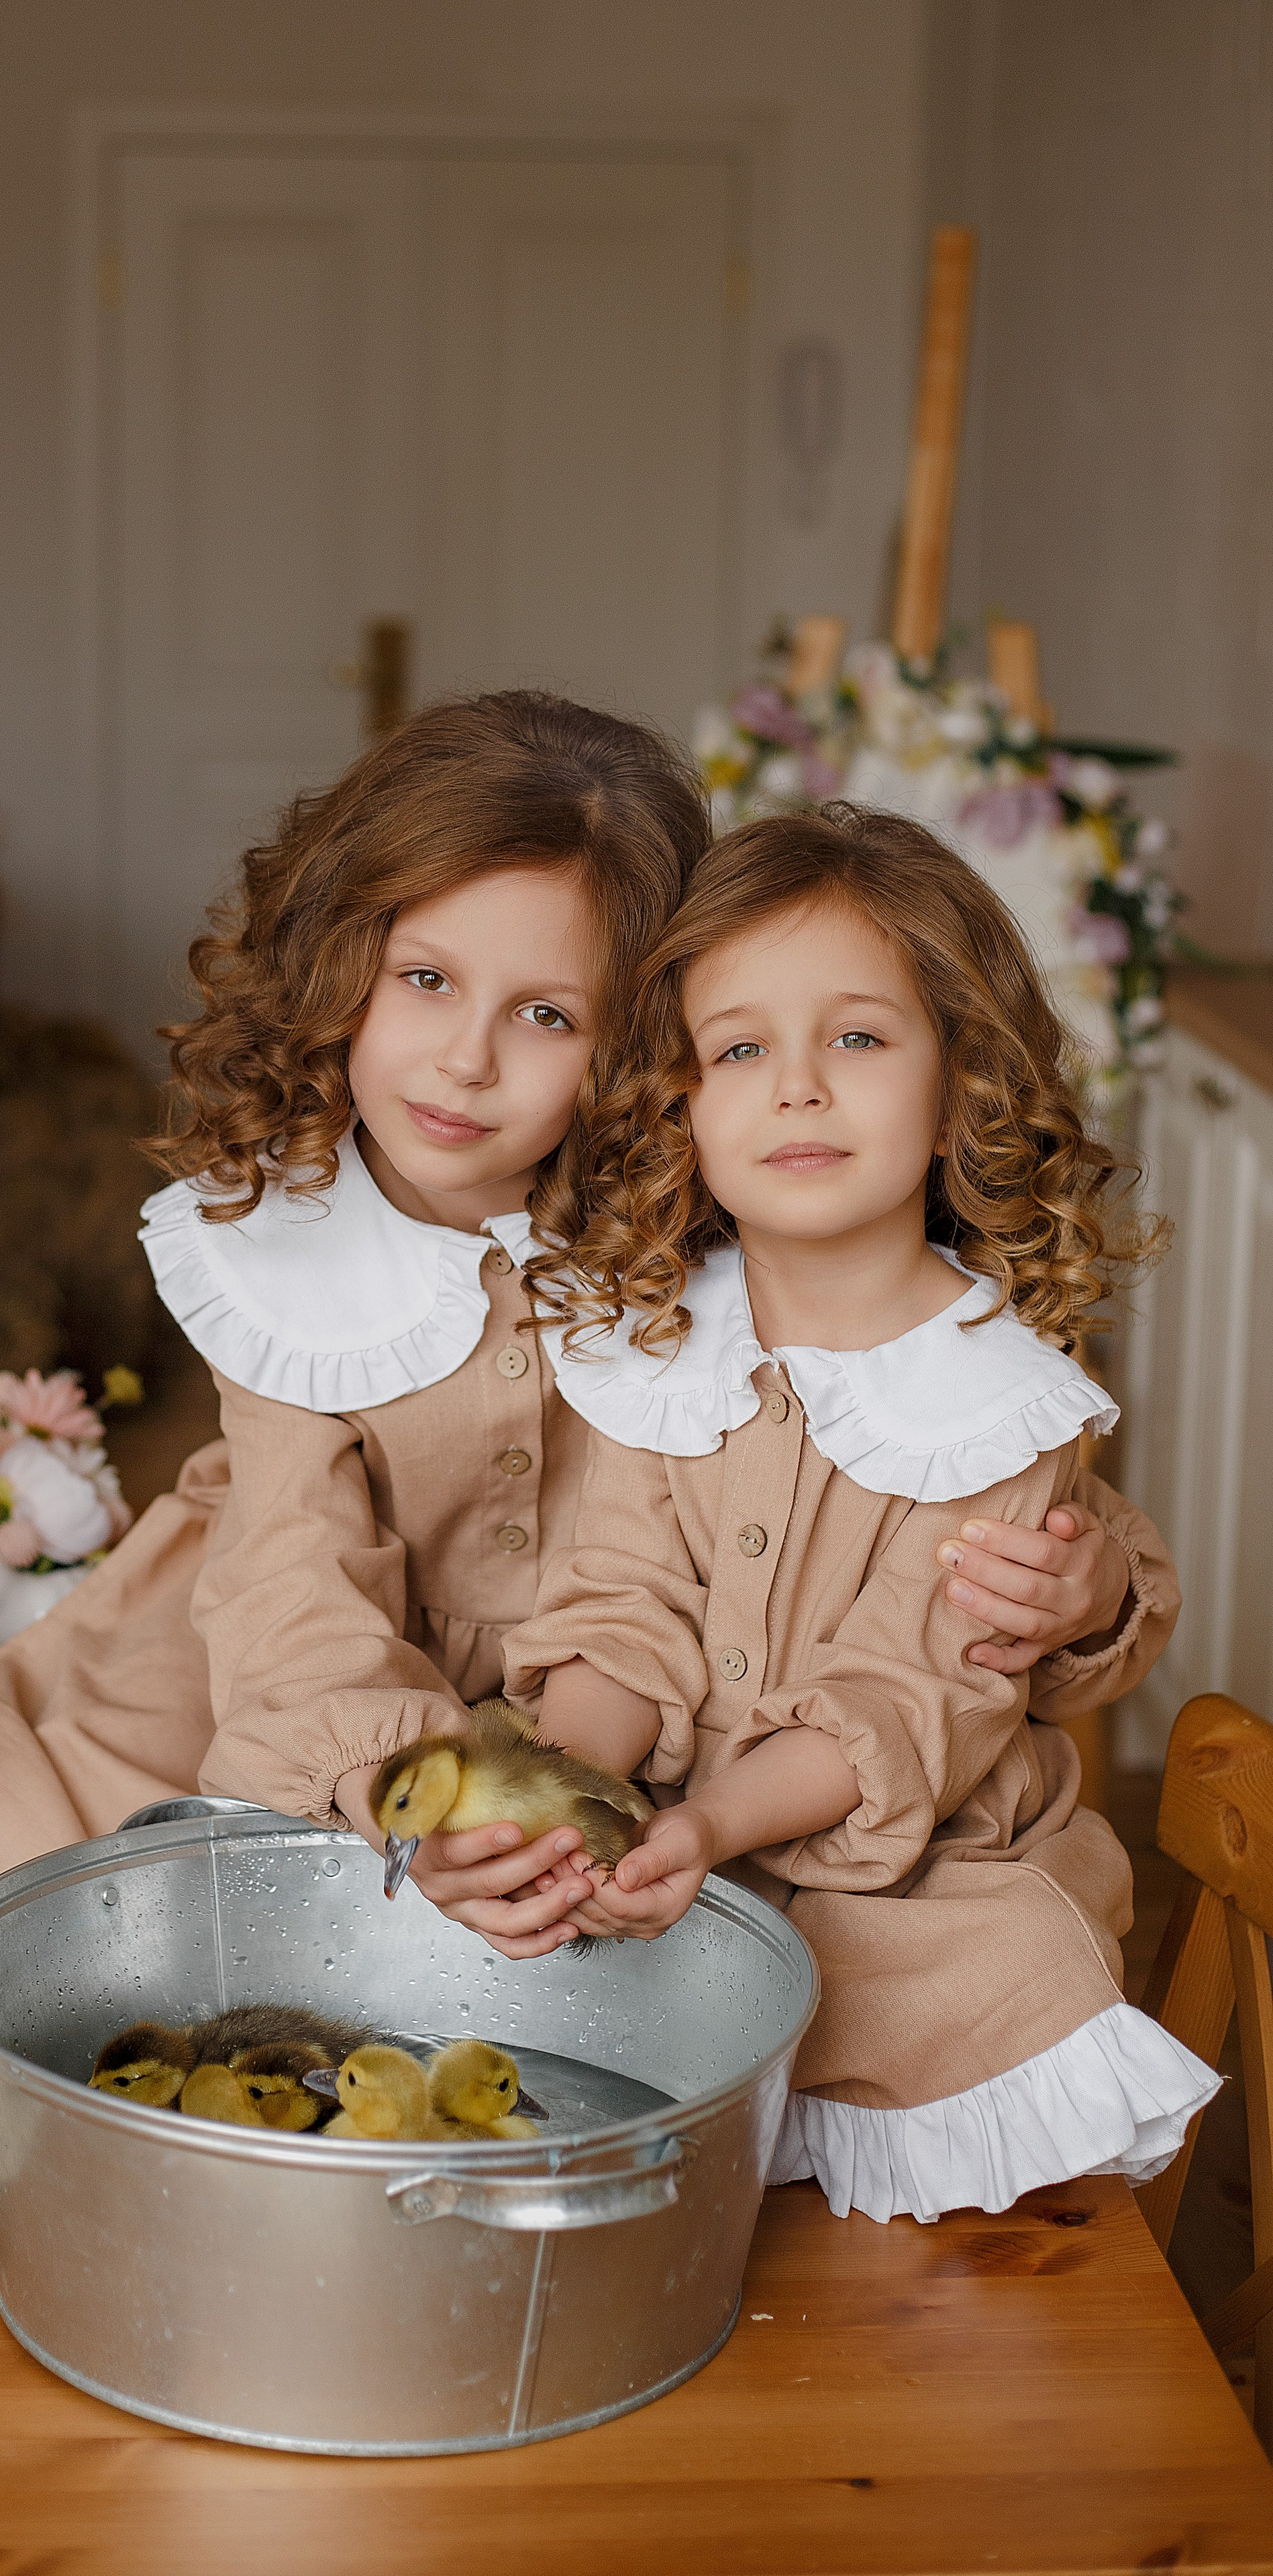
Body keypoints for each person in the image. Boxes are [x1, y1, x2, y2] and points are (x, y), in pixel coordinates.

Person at [0, 702, 1164, 2040]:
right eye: (425, 980)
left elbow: (899, 1434)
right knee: (108, 1905)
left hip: (620, 1713)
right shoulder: (295, 1255)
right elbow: (294, 1582)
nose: (465, 1061)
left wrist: (1090, 1585)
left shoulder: (704, 1216)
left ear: (640, 1045)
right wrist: (410, 1792)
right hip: (313, 1680)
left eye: (547, 1017)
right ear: (343, 963)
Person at [499, 802, 1211, 2219]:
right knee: (510, 1936)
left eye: (859, 1038)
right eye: (739, 1047)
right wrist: (562, 1805)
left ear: (957, 1087)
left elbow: (905, 1697)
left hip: (910, 1873)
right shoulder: (652, 1347)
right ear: (675, 1105)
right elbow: (618, 1608)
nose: (798, 1088)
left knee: (1005, 1958)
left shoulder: (997, 1400)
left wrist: (704, 1832)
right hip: (669, 1836)